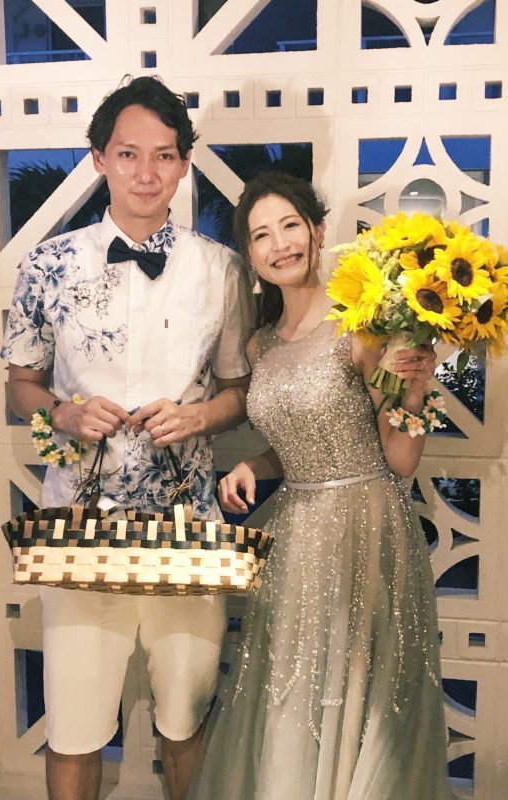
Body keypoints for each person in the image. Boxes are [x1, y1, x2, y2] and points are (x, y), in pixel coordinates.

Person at [1, 75, 254, 800]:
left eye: (165, 155)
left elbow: (240, 392)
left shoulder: (221, 270)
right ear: (98, 159)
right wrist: (63, 413)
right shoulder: (48, 263)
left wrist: (198, 417)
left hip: (188, 529)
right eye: (128, 153)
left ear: (184, 163)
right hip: (79, 530)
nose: (147, 173)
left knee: (186, 719)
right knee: (74, 727)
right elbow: (20, 383)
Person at [188, 172, 452, 800]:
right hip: (296, 537)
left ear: (317, 230)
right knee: (294, 690)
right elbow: (302, 439)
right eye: (261, 235)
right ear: (250, 254)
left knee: (361, 693)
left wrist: (414, 389)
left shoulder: (359, 329)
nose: (279, 244)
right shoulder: (260, 345)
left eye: (290, 226)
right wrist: (255, 466)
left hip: (367, 529)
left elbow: (400, 459)